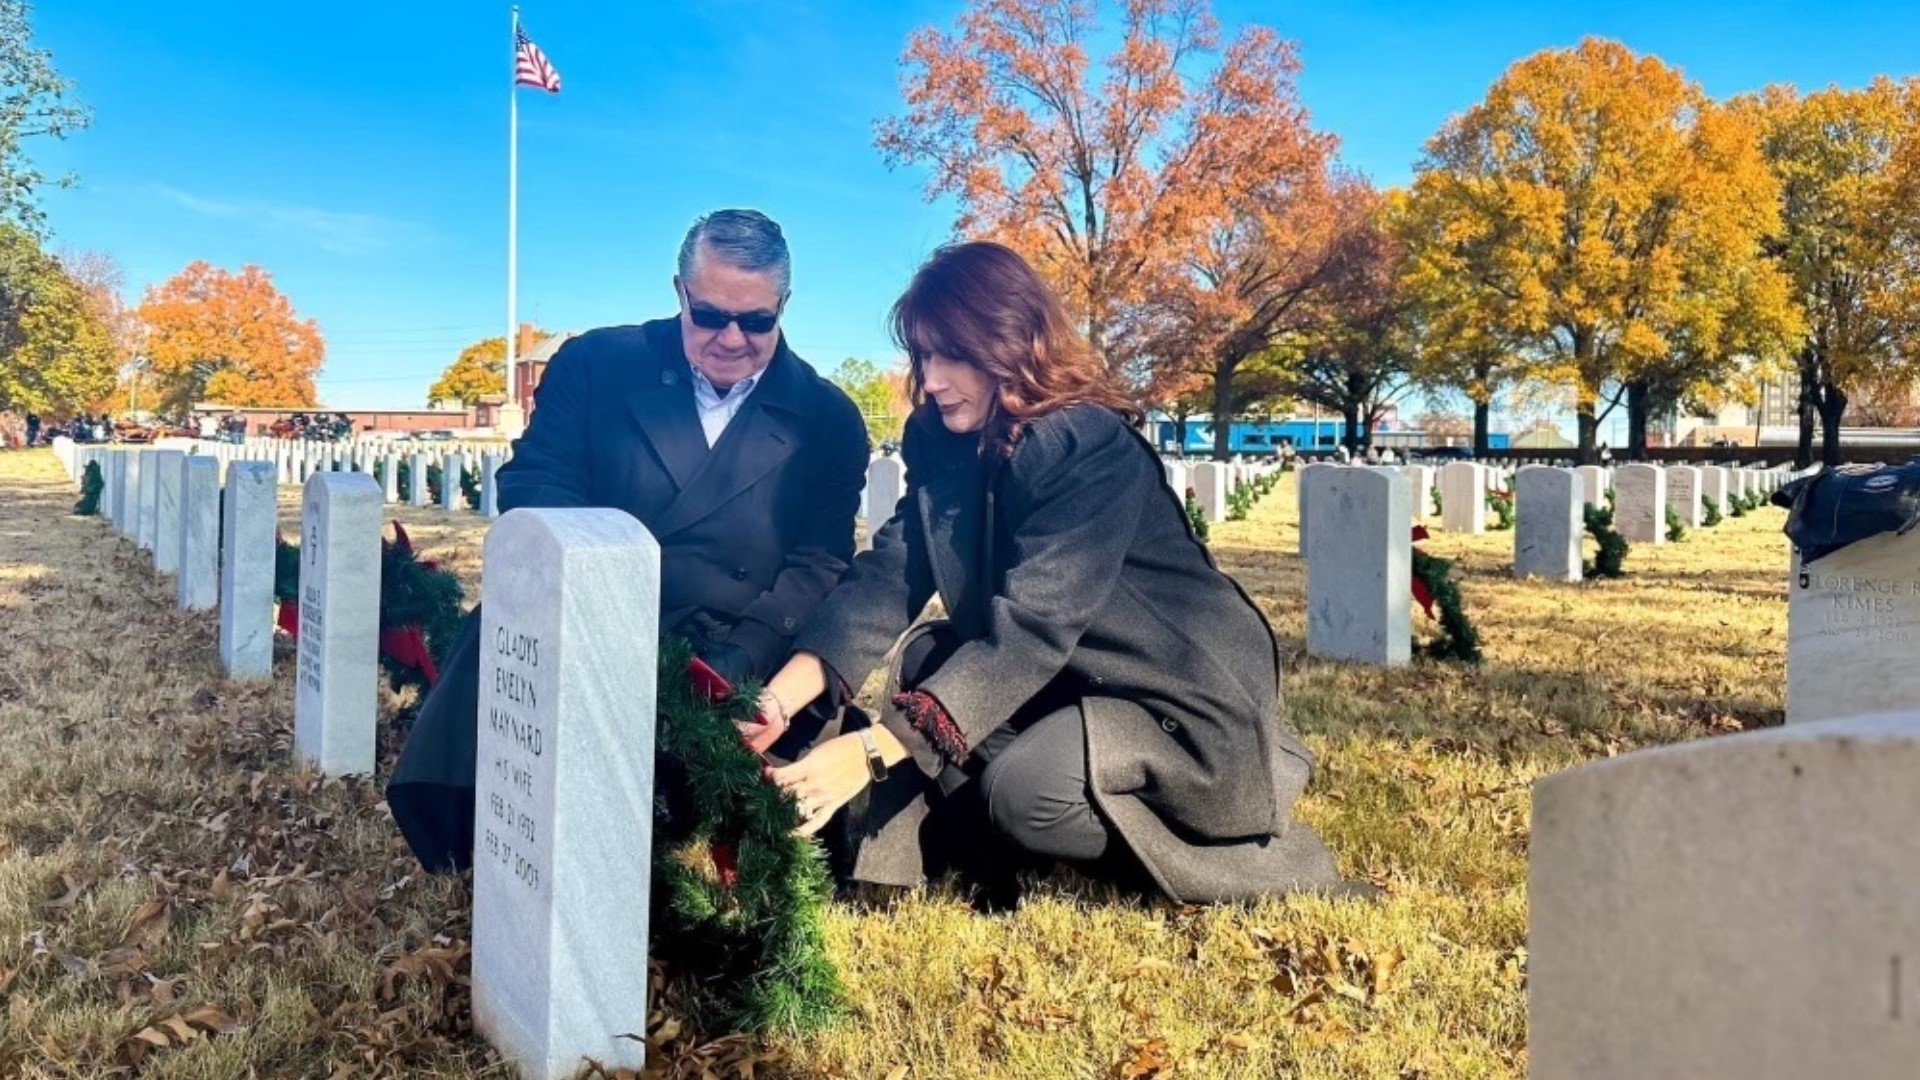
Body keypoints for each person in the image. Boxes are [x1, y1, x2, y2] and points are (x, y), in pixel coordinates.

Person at [747, 241, 1343, 904]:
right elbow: (894, 571)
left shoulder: (1085, 444)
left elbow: (1033, 628)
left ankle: (1265, 861)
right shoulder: (941, 439)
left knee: (1025, 796)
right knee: (929, 658)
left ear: (1009, 343)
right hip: (1069, 684)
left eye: (953, 355)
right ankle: (927, 855)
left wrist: (870, 751)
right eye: (924, 356)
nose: (932, 379)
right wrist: (778, 699)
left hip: (1173, 697)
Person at [389, 208, 871, 871]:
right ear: (679, 292)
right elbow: (538, 485)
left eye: (756, 320)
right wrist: (598, 592)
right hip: (588, 616)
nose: (731, 337)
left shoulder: (829, 419)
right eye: (709, 315)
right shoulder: (598, 366)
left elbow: (818, 564)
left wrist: (736, 663)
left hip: (729, 647)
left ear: (784, 304)